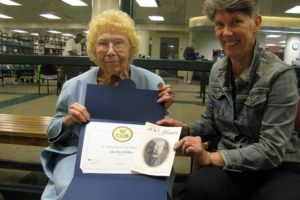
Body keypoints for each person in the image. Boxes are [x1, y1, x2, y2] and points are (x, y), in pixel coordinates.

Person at [157, 0, 300, 200]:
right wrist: (185, 129)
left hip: (278, 167)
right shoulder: (218, 70)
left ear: (256, 23)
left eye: (235, 22)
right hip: (231, 166)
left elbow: (272, 150)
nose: (226, 32)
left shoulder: (280, 75)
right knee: (197, 189)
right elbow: (211, 122)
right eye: (220, 24)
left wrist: (212, 157)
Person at [40, 9, 175, 200]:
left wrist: (162, 110)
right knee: (80, 192)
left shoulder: (153, 83)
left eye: (119, 43)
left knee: (144, 191)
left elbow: (161, 135)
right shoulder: (73, 85)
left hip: (138, 155)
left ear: (131, 47)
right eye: (103, 43)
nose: (111, 51)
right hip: (82, 155)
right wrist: (68, 120)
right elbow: (53, 130)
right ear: (95, 49)